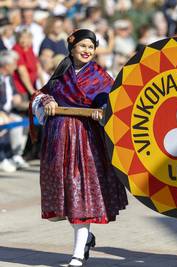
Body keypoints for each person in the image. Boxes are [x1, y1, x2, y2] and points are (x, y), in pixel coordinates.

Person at [31, 29, 128, 267]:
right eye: (83, 46)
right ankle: (85, 238)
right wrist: (47, 100)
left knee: (80, 194)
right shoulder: (61, 73)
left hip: (86, 142)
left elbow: (113, 103)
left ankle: (77, 253)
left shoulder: (100, 76)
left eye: (91, 47)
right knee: (66, 197)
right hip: (59, 141)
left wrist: (102, 111)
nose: (87, 51)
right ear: (72, 47)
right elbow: (40, 94)